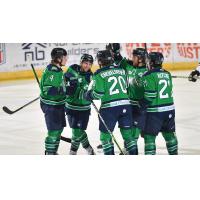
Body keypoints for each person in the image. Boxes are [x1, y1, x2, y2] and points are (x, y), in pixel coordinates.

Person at [85, 50, 136, 155]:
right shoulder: (122, 70)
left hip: (109, 109)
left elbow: (98, 94)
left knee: (105, 138)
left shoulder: (99, 73)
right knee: (128, 136)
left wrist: (89, 95)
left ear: (99, 61)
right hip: (126, 106)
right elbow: (126, 87)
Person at [106, 43, 148, 154]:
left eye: (134, 56)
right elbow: (118, 60)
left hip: (140, 107)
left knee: (134, 134)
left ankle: (130, 152)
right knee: (128, 132)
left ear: (140, 59)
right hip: (128, 105)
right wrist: (115, 52)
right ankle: (128, 149)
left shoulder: (147, 72)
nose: (132, 58)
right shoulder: (128, 66)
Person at [140, 52, 178, 155]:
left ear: (151, 62)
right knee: (169, 135)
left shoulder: (148, 75)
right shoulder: (167, 73)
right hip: (169, 109)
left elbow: (150, 96)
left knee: (149, 137)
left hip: (155, 112)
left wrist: (141, 104)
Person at [64, 54, 95, 155]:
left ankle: (75, 151)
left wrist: (89, 95)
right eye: (85, 63)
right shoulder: (72, 69)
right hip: (70, 106)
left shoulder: (92, 77)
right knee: (76, 131)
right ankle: (87, 149)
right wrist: (67, 84)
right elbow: (64, 80)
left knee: (77, 132)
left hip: (83, 109)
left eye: (90, 64)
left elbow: (92, 93)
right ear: (81, 62)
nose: (87, 66)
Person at [40, 48, 68, 155]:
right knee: (54, 131)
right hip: (51, 106)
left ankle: (53, 152)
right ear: (59, 58)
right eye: (65, 57)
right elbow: (48, 90)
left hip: (58, 105)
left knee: (59, 130)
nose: (67, 59)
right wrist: (64, 89)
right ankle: (49, 153)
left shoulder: (57, 69)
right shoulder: (53, 71)